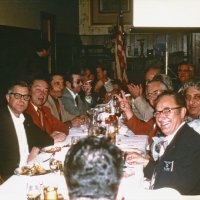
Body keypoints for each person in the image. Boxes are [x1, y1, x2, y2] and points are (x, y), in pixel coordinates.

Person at [128, 91, 200, 195]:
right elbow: (168, 173)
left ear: (183, 112)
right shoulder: (179, 136)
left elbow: (173, 191)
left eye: (167, 111)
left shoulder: (190, 145)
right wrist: (145, 162)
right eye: (157, 112)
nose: (160, 118)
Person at [0, 81, 54, 181]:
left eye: (26, 97)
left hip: (29, 170)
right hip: (10, 178)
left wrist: (36, 147)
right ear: (8, 98)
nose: (22, 100)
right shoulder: (2, 120)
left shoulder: (26, 118)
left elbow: (47, 139)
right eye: (17, 96)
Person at [116, 75, 172, 143]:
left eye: (156, 93)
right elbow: (143, 130)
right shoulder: (158, 114)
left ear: (166, 92)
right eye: (149, 95)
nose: (153, 98)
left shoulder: (172, 112)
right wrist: (127, 110)